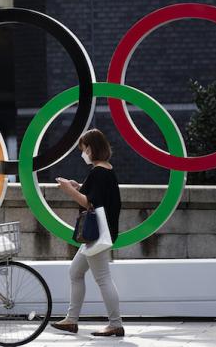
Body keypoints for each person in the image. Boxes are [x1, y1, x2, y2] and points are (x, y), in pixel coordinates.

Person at [50, 129, 125, 337]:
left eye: (84, 149)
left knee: (102, 278)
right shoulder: (106, 169)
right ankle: (71, 320)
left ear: (92, 148)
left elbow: (90, 202)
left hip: (97, 234)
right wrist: (78, 186)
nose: (83, 153)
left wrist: (68, 190)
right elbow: (97, 195)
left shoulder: (98, 171)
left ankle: (115, 324)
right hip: (102, 232)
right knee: (75, 272)